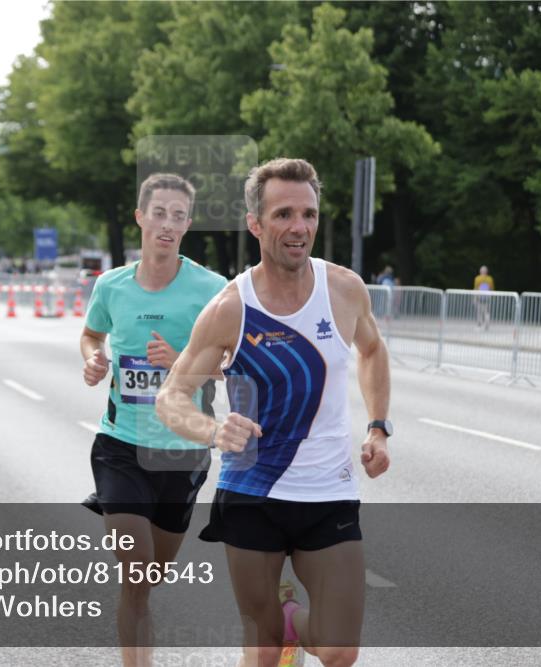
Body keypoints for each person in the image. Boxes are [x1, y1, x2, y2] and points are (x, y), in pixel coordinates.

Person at [156, 158, 392, 667]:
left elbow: (372, 349)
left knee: (339, 649)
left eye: (309, 214)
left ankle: (288, 621)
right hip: (252, 494)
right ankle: (273, 631)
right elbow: (171, 396)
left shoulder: (344, 289)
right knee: (262, 652)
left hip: (329, 492)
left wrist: (378, 427)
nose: (299, 227)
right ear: (256, 224)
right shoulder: (230, 308)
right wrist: (214, 430)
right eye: (284, 214)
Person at [80, 173, 228, 667]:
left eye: (178, 216)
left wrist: (182, 362)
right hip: (120, 445)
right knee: (137, 572)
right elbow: (91, 334)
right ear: (140, 217)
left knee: (152, 575)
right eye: (159, 213)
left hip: (182, 451)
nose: (167, 224)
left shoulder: (212, 290)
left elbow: (233, 364)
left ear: (187, 225)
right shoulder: (111, 285)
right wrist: (93, 358)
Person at [473, 265, 494, 330]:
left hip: (479, 296)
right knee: (487, 312)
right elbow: (491, 288)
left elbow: (476, 288)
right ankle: (487, 325)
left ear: (480, 271)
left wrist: (474, 297)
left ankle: (479, 325)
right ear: (487, 271)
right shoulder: (490, 279)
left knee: (479, 312)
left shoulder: (477, 278)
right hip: (487, 297)